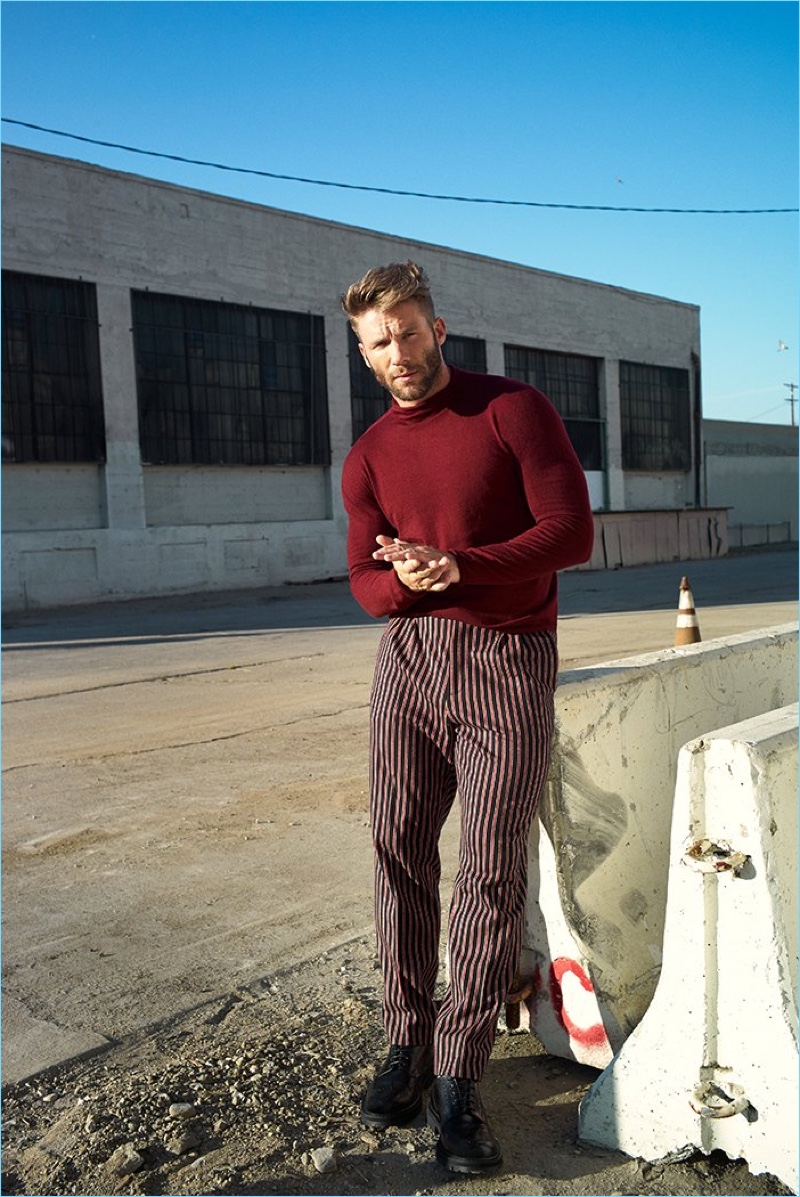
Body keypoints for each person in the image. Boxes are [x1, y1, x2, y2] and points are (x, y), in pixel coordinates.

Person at [340, 261, 594, 1175]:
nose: (398, 351)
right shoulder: (367, 454)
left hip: (506, 661)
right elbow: (364, 583)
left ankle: (460, 1080)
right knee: (398, 852)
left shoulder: (511, 410)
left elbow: (571, 531)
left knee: (489, 870)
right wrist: (404, 577)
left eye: (408, 330)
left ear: (438, 329)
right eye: (379, 341)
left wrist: (460, 563)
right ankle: (405, 1048)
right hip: (409, 663)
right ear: (364, 356)